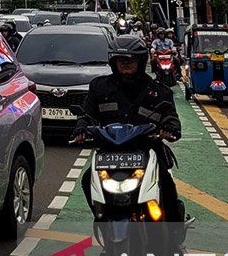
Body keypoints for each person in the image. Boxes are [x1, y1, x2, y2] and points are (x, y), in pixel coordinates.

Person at [71, 37, 183, 221]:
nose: (125, 64)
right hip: (109, 153)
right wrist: (81, 128)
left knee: (167, 184)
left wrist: (170, 128)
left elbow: (170, 115)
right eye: (120, 60)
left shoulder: (158, 91)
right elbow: (87, 114)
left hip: (147, 150)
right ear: (113, 62)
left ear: (141, 61)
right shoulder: (99, 87)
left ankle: (174, 234)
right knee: (86, 181)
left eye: (130, 59)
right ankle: (102, 219)